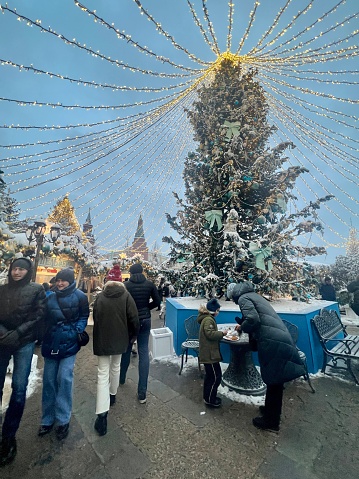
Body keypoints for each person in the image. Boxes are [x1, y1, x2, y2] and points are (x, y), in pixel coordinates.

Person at [228, 281, 306, 432]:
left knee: (274, 380)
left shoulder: (244, 299)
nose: (233, 301)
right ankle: (270, 410)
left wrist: (243, 326)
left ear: (234, 294)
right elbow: (257, 317)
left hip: (272, 341)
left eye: (231, 299)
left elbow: (253, 320)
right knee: (274, 380)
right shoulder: (253, 296)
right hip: (278, 337)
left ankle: (271, 421)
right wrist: (243, 323)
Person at [0, 257, 46, 466]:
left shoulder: (36, 290)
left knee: (19, 388)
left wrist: (18, 332)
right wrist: (4, 333)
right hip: (2, 341)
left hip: (24, 342)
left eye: (21, 269)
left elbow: (39, 314)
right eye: (14, 269)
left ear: (29, 271)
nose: (17, 272)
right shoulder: (2, 290)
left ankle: (9, 435)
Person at [38, 268, 89, 441]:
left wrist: (77, 330)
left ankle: (63, 419)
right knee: (49, 380)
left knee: (65, 378)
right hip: (52, 341)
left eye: (63, 280)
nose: (60, 283)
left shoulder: (80, 296)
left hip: (69, 342)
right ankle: (47, 418)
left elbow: (84, 315)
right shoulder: (49, 297)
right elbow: (42, 317)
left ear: (70, 281)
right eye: (58, 280)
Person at [92, 280, 139, 436]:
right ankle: (112, 394)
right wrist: (132, 337)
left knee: (102, 373)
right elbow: (134, 318)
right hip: (120, 339)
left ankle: (102, 415)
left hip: (103, 340)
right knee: (116, 366)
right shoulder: (126, 296)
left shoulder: (100, 297)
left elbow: (95, 317)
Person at [119, 263, 160, 403]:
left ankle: (121, 378)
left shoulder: (126, 286)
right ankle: (142, 392)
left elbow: (122, 303)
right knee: (143, 351)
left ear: (130, 273)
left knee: (126, 349)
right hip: (145, 319)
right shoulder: (149, 284)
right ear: (142, 271)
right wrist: (146, 308)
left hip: (130, 321)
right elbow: (158, 301)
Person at [197, 298, 228, 408]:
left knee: (210, 376)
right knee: (216, 377)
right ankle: (210, 399)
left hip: (209, 353)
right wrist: (222, 333)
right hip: (210, 354)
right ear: (214, 310)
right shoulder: (208, 320)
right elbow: (210, 334)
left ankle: (208, 397)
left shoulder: (206, 318)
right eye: (218, 310)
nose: (218, 312)